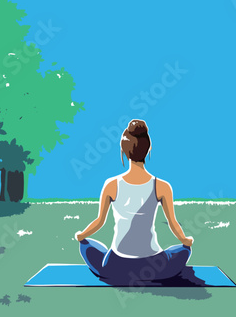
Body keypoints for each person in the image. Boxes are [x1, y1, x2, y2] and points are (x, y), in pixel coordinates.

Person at [74, 119, 194, 284]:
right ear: (149, 148)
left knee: (86, 245)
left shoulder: (111, 185)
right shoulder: (162, 186)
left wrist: (81, 236)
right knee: (183, 250)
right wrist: (186, 241)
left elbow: (99, 222)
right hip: (155, 267)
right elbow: (172, 223)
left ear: (123, 150)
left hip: (115, 266)